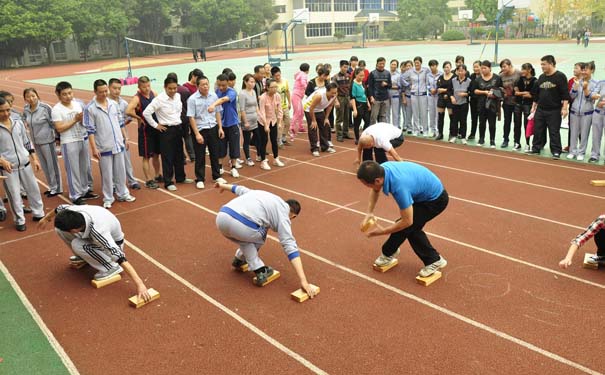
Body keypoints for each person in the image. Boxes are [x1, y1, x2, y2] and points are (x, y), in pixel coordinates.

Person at [215, 181, 318, 296]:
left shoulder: (266, 196)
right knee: (261, 232)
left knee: (245, 239)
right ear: (293, 216)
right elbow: (290, 246)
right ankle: (260, 270)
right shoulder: (284, 215)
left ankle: (240, 259)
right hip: (242, 225)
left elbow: (240, 189)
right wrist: (304, 280)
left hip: (221, 218)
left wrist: (222, 185)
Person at [38, 204, 152, 302]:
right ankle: (86, 256)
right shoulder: (73, 212)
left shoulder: (99, 232)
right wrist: (46, 218)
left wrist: (140, 284)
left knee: (78, 244)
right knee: (59, 230)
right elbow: (59, 208)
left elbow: (121, 257)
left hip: (114, 244)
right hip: (95, 235)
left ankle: (110, 268)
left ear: (74, 230)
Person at [357, 160, 449, 277]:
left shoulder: (399, 187)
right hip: (422, 193)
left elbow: (407, 221)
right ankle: (389, 252)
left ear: (377, 180)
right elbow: (375, 189)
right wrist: (369, 212)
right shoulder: (382, 170)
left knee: (409, 227)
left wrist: (382, 232)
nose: (367, 187)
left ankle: (434, 260)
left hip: (435, 200)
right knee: (406, 227)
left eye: (366, 184)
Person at [84, 80, 136, 209]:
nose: (104, 94)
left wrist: (126, 138)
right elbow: (90, 130)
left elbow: (120, 123)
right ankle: (108, 197)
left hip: (118, 143)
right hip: (103, 145)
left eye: (105, 91)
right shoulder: (90, 108)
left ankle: (123, 193)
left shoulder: (114, 104)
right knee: (107, 174)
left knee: (121, 171)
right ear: (95, 92)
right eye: (101, 92)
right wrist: (94, 148)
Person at [0, 97, 44, 231]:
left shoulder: (18, 123)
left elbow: (27, 141)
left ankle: (39, 213)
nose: (6, 113)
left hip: (25, 163)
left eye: (8, 110)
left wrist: (34, 158)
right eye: (2, 111)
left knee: (33, 189)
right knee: (14, 195)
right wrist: (2, 160)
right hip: (9, 168)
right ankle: (19, 220)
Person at [143, 76, 194, 191]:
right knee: (168, 157)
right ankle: (168, 181)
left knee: (179, 155)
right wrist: (156, 125)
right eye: (170, 88)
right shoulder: (159, 99)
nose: (173, 91)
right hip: (166, 130)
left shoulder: (178, 96)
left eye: (175, 88)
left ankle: (181, 177)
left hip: (178, 128)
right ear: (165, 87)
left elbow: (179, 109)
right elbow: (146, 113)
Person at [51, 81, 98, 204]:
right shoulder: (56, 109)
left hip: (82, 138)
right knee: (73, 169)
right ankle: (75, 195)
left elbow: (84, 122)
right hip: (69, 141)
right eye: (64, 94)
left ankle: (85, 190)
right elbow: (59, 128)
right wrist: (75, 119)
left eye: (70, 93)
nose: (68, 96)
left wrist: (82, 121)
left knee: (85, 167)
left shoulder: (78, 104)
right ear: (58, 94)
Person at [187, 76, 227, 189]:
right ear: (198, 86)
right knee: (200, 155)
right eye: (203, 84)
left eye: (207, 84)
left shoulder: (213, 96)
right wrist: (197, 134)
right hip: (200, 129)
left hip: (213, 127)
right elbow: (191, 117)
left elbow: (218, 112)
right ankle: (200, 179)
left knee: (215, 153)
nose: (205, 86)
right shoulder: (192, 99)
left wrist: (220, 127)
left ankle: (216, 175)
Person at [528, 55, 570, 159]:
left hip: (554, 110)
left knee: (554, 131)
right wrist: (534, 107)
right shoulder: (541, 77)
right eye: (541, 64)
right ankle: (536, 148)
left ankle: (556, 151)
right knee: (538, 130)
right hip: (541, 109)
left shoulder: (560, 76)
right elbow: (537, 95)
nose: (542, 66)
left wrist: (564, 108)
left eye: (544, 64)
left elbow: (565, 94)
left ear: (551, 64)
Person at [22, 88, 63, 197]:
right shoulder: (26, 109)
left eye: (33, 96)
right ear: (25, 99)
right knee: (45, 166)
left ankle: (57, 188)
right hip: (36, 142)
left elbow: (53, 124)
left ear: (37, 95)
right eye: (28, 97)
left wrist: (57, 139)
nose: (31, 99)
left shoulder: (45, 108)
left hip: (48, 141)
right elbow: (23, 122)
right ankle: (51, 186)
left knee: (52, 165)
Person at [125, 76, 162, 189]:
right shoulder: (137, 98)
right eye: (144, 87)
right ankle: (148, 179)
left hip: (156, 127)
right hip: (145, 131)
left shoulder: (154, 93)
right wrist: (138, 118)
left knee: (157, 154)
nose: (147, 89)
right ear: (139, 87)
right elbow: (128, 110)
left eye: (148, 86)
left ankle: (157, 175)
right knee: (146, 156)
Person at [210, 74, 242, 178]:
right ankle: (219, 167)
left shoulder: (232, 92)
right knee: (220, 147)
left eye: (223, 85)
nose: (221, 87)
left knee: (234, 147)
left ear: (228, 83)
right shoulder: (217, 92)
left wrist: (213, 104)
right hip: (221, 125)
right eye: (219, 85)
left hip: (232, 123)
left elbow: (223, 100)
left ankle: (233, 167)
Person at [568, 61, 598, 161]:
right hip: (574, 112)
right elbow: (571, 96)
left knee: (584, 134)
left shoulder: (595, 83)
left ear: (592, 70)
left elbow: (591, 98)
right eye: (583, 69)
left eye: (586, 70)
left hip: (587, 113)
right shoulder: (577, 81)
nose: (584, 72)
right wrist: (575, 87)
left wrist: (585, 89)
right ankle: (572, 151)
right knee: (573, 133)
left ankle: (581, 152)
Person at [474, 60, 503, 148]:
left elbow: (501, 90)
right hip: (481, 104)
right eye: (481, 68)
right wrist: (485, 92)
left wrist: (494, 93)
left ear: (490, 68)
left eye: (484, 68)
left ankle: (492, 141)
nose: (483, 70)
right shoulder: (478, 79)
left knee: (492, 123)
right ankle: (481, 139)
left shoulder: (496, 78)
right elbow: (475, 90)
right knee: (482, 122)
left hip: (493, 105)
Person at [303, 83, 338, 156]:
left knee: (325, 126)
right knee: (313, 127)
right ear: (327, 91)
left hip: (320, 109)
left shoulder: (334, 95)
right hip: (309, 109)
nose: (334, 94)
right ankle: (314, 148)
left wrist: (326, 118)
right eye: (332, 93)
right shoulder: (319, 96)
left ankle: (325, 146)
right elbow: (311, 108)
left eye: (335, 92)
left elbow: (330, 106)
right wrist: (313, 120)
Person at [258, 78, 285, 169]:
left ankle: (276, 158)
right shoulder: (263, 97)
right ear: (267, 88)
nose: (275, 89)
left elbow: (280, 109)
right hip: (263, 121)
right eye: (272, 87)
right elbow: (262, 112)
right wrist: (265, 125)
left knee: (274, 140)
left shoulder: (277, 95)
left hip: (273, 120)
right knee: (264, 141)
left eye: (276, 87)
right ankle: (263, 160)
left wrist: (280, 122)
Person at [400, 57, 429, 136]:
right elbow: (401, 77)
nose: (417, 64)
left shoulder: (425, 70)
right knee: (415, 113)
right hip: (413, 94)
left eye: (418, 62)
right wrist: (408, 84)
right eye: (415, 62)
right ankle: (415, 130)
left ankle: (425, 130)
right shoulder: (410, 71)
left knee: (423, 113)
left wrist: (427, 86)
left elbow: (429, 78)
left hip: (423, 94)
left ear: (421, 63)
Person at [513, 63, 537, 152]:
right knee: (517, 124)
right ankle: (517, 143)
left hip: (528, 105)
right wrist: (525, 93)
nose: (522, 71)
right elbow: (515, 93)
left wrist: (521, 93)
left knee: (527, 125)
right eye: (522, 69)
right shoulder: (519, 79)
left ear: (529, 70)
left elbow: (532, 95)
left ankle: (528, 144)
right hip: (518, 104)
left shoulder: (535, 81)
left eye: (524, 69)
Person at [499, 59, 521, 149]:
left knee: (517, 123)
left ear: (510, 65)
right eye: (502, 67)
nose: (503, 68)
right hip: (507, 103)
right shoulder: (501, 76)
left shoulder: (518, 73)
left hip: (517, 103)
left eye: (504, 66)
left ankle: (517, 141)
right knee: (506, 122)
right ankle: (505, 140)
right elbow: (499, 87)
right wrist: (503, 92)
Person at [449, 64, 472, 143]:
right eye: (459, 70)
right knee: (454, 120)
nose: (460, 72)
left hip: (464, 103)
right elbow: (449, 91)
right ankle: (454, 136)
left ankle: (463, 137)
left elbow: (471, 92)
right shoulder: (453, 80)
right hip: (455, 103)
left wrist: (465, 94)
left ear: (465, 71)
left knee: (463, 120)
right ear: (456, 71)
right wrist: (452, 97)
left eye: (462, 70)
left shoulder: (469, 81)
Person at [271, 66, 292, 147]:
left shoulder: (285, 81)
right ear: (273, 76)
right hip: (276, 108)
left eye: (279, 75)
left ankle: (283, 137)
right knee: (279, 125)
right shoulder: (272, 84)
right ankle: (278, 140)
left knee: (288, 122)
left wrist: (289, 102)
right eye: (276, 76)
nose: (278, 77)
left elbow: (287, 92)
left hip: (285, 105)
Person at [350, 68, 371, 144]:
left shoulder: (362, 83)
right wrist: (354, 109)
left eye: (363, 76)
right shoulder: (353, 84)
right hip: (358, 104)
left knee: (367, 121)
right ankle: (357, 138)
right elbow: (352, 98)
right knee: (357, 123)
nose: (362, 77)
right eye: (360, 76)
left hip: (364, 103)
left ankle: (363, 135)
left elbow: (365, 93)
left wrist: (368, 102)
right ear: (356, 75)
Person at [367, 57, 392, 124]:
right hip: (376, 98)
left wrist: (386, 84)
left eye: (383, 64)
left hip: (385, 98)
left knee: (383, 116)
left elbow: (390, 86)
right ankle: (372, 132)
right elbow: (370, 87)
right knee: (373, 117)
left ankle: (382, 132)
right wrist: (371, 97)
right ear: (377, 64)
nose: (381, 65)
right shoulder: (372, 73)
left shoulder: (387, 73)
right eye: (380, 64)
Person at [332, 60, 352, 142]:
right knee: (339, 117)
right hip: (340, 97)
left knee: (347, 116)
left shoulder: (349, 76)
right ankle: (339, 134)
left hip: (347, 97)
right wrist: (335, 101)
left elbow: (350, 88)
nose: (345, 68)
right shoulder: (335, 77)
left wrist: (350, 99)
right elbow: (333, 91)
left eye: (347, 67)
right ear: (340, 67)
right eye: (344, 67)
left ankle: (345, 132)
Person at [436, 61, 454, 140]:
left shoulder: (454, 77)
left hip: (450, 99)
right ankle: (440, 133)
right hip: (441, 99)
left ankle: (451, 133)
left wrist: (445, 91)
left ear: (451, 67)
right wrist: (446, 90)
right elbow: (438, 89)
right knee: (440, 116)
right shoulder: (440, 77)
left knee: (452, 117)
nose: (446, 69)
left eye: (448, 67)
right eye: (445, 67)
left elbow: (453, 89)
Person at [291, 63, 309, 136]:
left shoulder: (299, 74)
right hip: (296, 96)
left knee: (301, 112)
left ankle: (300, 127)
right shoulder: (303, 75)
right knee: (297, 112)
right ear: (307, 69)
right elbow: (303, 83)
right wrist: (308, 90)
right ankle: (291, 127)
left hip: (297, 96)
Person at [590, 80, 605, 163]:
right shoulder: (601, 83)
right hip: (598, 112)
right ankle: (594, 155)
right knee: (596, 135)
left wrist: (603, 103)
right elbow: (593, 94)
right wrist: (595, 95)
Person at [467, 61, 482, 141]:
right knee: (474, 118)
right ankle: (473, 133)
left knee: (482, 119)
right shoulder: (472, 76)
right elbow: (469, 87)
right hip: (473, 100)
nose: (475, 68)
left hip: (482, 101)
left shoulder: (484, 77)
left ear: (481, 67)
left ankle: (481, 136)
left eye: (477, 67)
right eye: (474, 67)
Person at [427, 59, 442, 137]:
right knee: (431, 113)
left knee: (438, 114)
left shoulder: (441, 74)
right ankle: (432, 130)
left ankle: (438, 130)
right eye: (431, 66)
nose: (432, 67)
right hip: (430, 96)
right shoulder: (428, 75)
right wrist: (430, 89)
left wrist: (436, 90)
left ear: (437, 65)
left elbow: (442, 84)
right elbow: (427, 84)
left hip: (438, 96)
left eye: (434, 65)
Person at [388, 59, 401, 130]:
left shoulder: (398, 75)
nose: (393, 66)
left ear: (397, 66)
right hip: (387, 95)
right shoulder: (386, 73)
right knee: (387, 112)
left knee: (395, 112)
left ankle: (395, 127)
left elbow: (399, 86)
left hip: (395, 95)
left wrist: (389, 86)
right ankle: (387, 126)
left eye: (395, 65)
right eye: (392, 64)